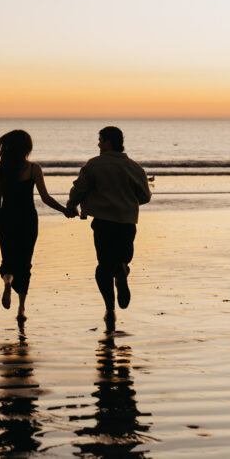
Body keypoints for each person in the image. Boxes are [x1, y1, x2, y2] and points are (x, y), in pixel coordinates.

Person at [66, 126, 151, 320]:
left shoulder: (94, 165)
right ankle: (121, 270)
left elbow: (79, 189)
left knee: (103, 266)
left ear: (108, 142)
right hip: (127, 222)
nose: (98, 144)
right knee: (122, 259)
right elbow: (145, 196)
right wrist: (126, 198)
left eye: (100, 140)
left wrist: (72, 206)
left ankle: (110, 309)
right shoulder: (134, 167)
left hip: (104, 222)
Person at [0, 129, 69, 321]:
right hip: (27, 218)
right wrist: (64, 210)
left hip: (7, 217)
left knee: (8, 259)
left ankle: (7, 282)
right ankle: (21, 309)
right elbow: (45, 198)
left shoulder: (1, 168)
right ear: (27, 148)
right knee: (24, 262)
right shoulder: (34, 169)